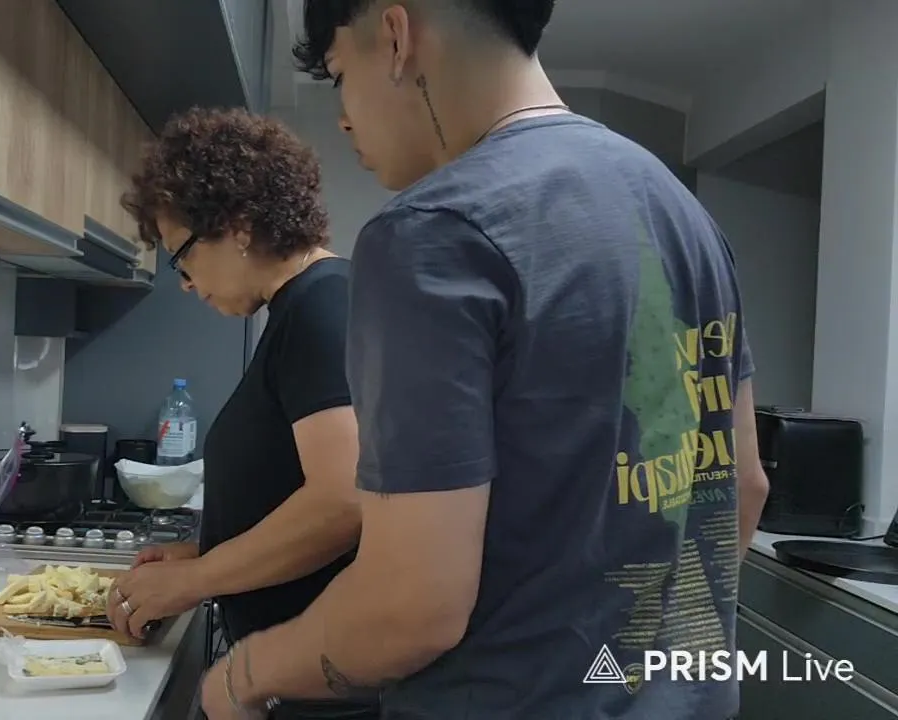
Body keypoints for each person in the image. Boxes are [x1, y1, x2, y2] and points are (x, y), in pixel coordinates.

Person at [200, 1, 771, 719]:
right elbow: (743, 485)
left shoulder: (432, 234)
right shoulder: (685, 215)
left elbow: (410, 609)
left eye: (340, 74)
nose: (344, 118)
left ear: (395, 36)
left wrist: (242, 674)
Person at [108, 107, 380, 720]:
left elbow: (344, 500)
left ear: (236, 226)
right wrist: (206, 553)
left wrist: (197, 580)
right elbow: (290, 485)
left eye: (181, 257)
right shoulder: (302, 308)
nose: (185, 283)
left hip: (326, 683)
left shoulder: (321, 307)